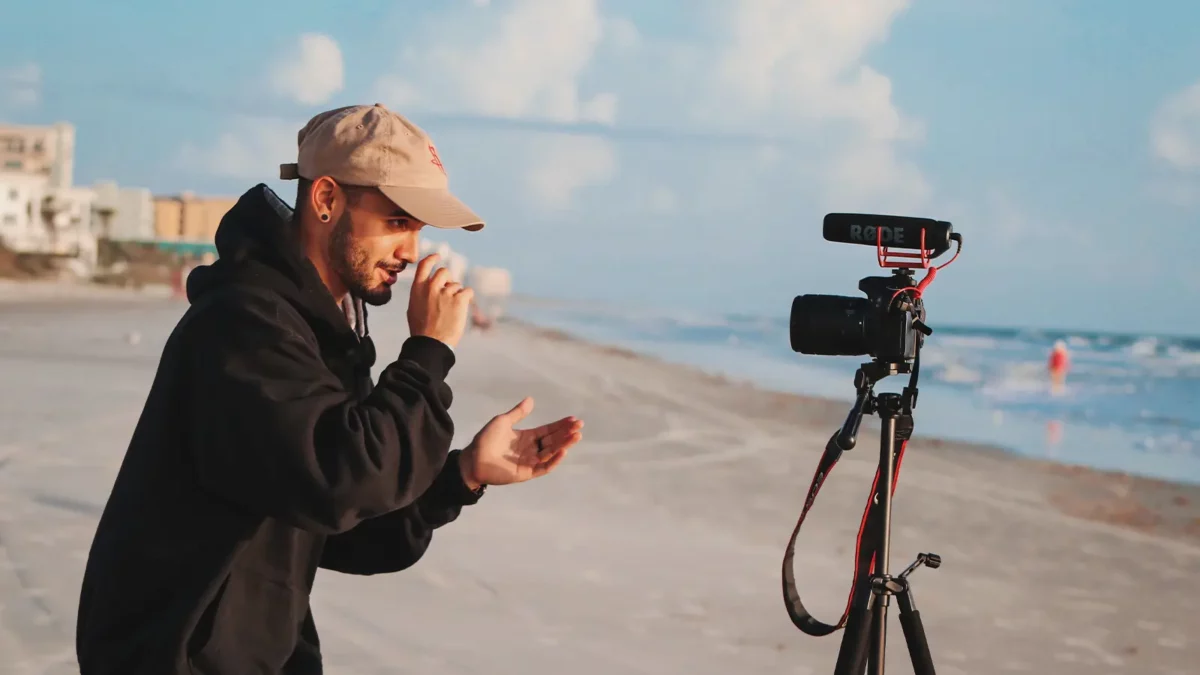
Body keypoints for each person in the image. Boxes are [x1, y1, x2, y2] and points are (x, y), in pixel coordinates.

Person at [75, 103, 585, 674]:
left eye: (417, 229)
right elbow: (341, 482)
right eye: (397, 221)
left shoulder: (324, 333)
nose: (411, 251)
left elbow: (349, 530)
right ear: (324, 200)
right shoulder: (245, 326)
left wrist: (461, 476)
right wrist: (427, 355)